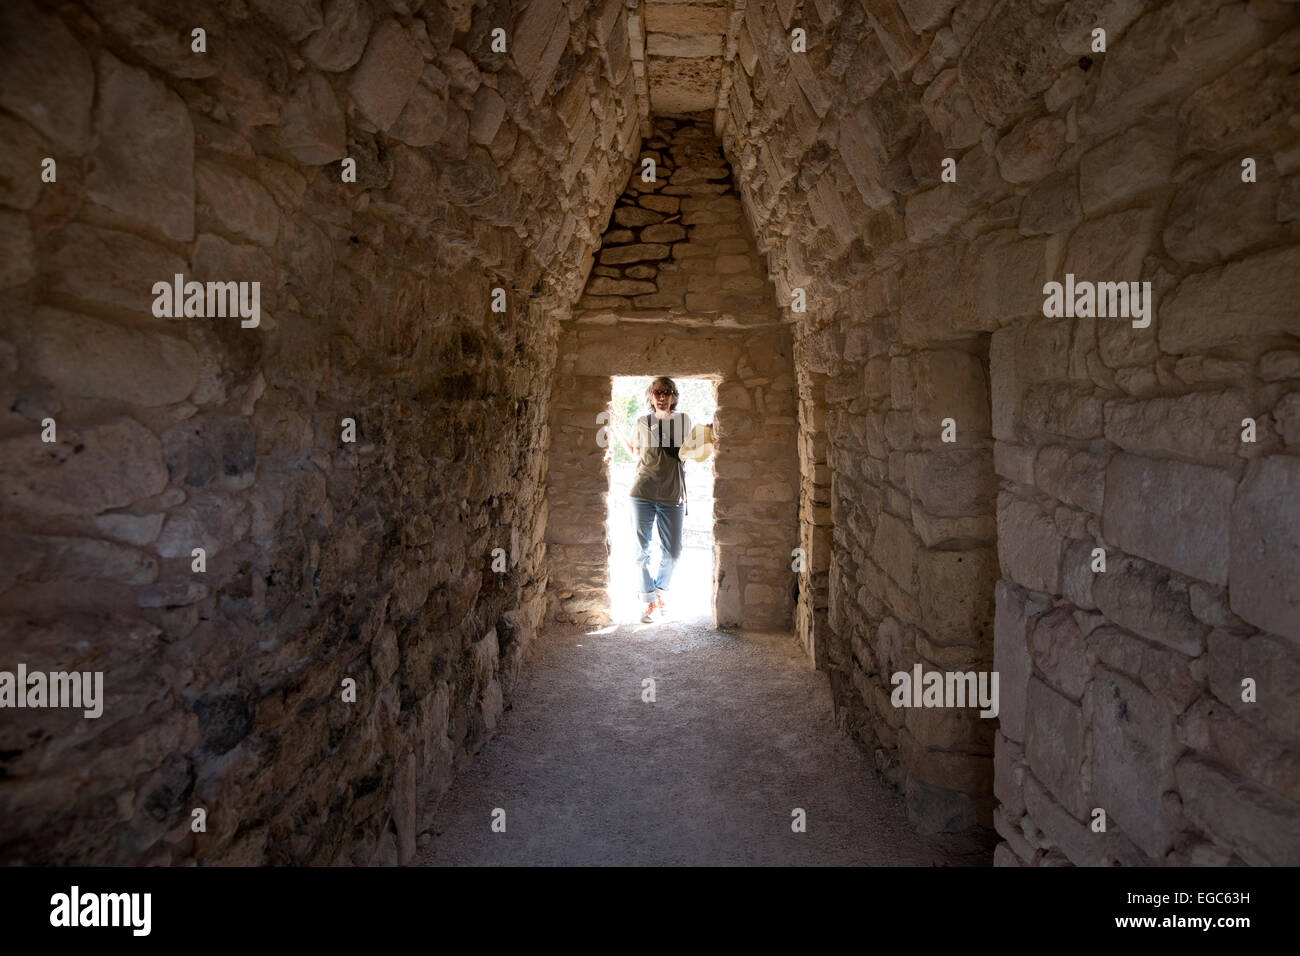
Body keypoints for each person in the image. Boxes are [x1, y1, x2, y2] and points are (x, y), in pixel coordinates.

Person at [610, 377, 694, 624]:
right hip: (642, 493)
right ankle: (649, 602)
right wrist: (617, 430)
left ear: (673, 396)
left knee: (674, 552)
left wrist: (706, 435)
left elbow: (688, 453)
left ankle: (659, 593)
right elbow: (636, 453)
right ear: (651, 395)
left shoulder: (683, 421)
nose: (662, 396)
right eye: (658, 391)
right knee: (640, 552)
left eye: (667, 392)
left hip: (672, 495)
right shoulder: (642, 422)